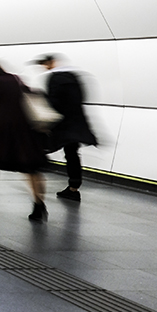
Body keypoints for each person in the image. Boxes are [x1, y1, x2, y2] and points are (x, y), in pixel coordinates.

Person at [0, 60, 48, 221]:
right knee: (30, 166)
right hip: (24, 127)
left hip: (3, 127)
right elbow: (29, 94)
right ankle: (39, 204)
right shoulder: (15, 78)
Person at [35, 54, 98, 202]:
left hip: (62, 124)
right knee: (72, 154)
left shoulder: (54, 78)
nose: (44, 67)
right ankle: (74, 188)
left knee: (43, 147)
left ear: (51, 62)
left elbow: (53, 102)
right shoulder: (75, 76)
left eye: (45, 64)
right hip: (76, 123)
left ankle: (36, 176)